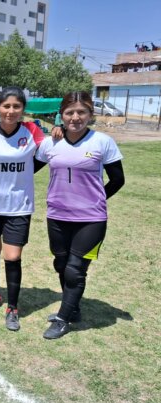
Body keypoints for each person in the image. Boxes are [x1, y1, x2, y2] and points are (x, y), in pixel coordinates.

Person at [35, 91, 125, 339]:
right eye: (69, 112)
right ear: (61, 115)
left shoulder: (102, 142)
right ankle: (71, 308)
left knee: (75, 269)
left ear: (90, 114)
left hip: (91, 219)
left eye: (81, 112)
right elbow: (28, 169)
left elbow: (118, 180)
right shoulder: (51, 142)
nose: (75, 117)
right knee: (61, 264)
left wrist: (95, 200)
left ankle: (63, 319)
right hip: (57, 215)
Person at [0, 87, 44, 331]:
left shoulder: (33, 131)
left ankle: (12, 307)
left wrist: (61, 129)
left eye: (16, 106)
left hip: (18, 206)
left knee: (12, 257)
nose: (11, 111)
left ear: (23, 109)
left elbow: (48, 153)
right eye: (6, 106)